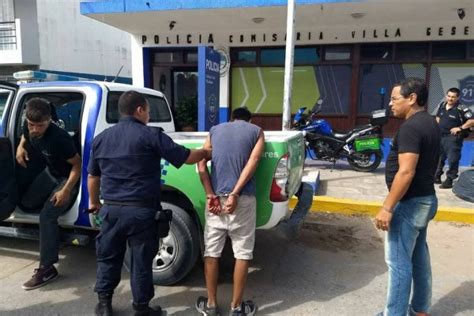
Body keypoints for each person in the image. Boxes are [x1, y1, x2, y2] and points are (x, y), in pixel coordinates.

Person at [87, 91, 210, 316]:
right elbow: (186, 157)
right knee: (141, 261)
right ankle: (141, 308)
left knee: (108, 257)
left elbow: (93, 177)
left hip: (111, 210)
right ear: (140, 110)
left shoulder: (102, 139)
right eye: (148, 112)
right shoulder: (151, 135)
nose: (149, 117)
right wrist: (206, 153)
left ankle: (104, 305)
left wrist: (95, 203)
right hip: (141, 212)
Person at [375, 78, 440, 316]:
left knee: (398, 264)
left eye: (394, 99)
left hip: (410, 203)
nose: (390, 104)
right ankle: (420, 308)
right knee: (419, 258)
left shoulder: (411, 127)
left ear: (411, 98)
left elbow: (406, 171)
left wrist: (387, 207)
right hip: (425, 199)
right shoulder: (430, 122)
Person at [196, 107, 264, 316]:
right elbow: (253, 162)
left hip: (216, 199)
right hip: (241, 200)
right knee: (242, 253)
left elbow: (200, 162)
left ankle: (211, 305)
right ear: (249, 120)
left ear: (232, 119)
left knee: (211, 252)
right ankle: (236, 308)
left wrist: (210, 194)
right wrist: (234, 194)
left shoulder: (215, 130)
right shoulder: (257, 131)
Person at [16, 98, 81, 290]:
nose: (34, 129)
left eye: (39, 125)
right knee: (26, 202)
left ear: (49, 120)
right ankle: (54, 235)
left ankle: (47, 268)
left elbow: (77, 165)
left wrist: (66, 191)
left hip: (67, 178)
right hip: (50, 173)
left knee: (46, 216)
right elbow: (25, 135)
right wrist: (21, 147)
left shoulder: (60, 138)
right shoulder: (28, 125)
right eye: (31, 124)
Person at [434, 87, 474, 189]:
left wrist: (460, 128)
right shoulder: (442, 105)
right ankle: (436, 176)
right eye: (449, 96)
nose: (450, 99)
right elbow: (438, 117)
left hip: (453, 138)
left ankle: (449, 180)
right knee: (438, 158)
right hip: (440, 136)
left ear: (458, 98)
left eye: (453, 97)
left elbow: (472, 120)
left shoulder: (461, 108)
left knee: (453, 159)